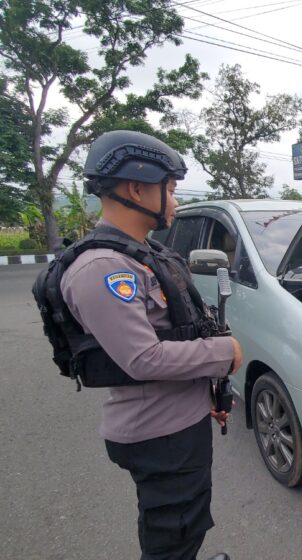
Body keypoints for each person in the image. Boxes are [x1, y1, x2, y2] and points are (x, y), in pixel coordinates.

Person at [61, 130, 242, 560]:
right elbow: (143, 358)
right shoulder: (105, 268)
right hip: (160, 433)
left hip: (178, 419)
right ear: (136, 187)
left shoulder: (142, 254)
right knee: (171, 538)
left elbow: (177, 332)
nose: (176, 201)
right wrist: (226, 353)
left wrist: (206, 395)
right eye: (171, 189)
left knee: (186, 523)